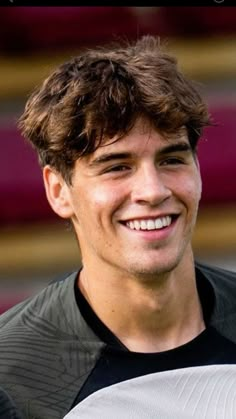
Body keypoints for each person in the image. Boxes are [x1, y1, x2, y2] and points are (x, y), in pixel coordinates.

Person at [0, 35, 236, 419]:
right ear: (58, 191)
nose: (152, 191)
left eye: (172, 159)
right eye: (117, 167)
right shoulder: (9, 377)